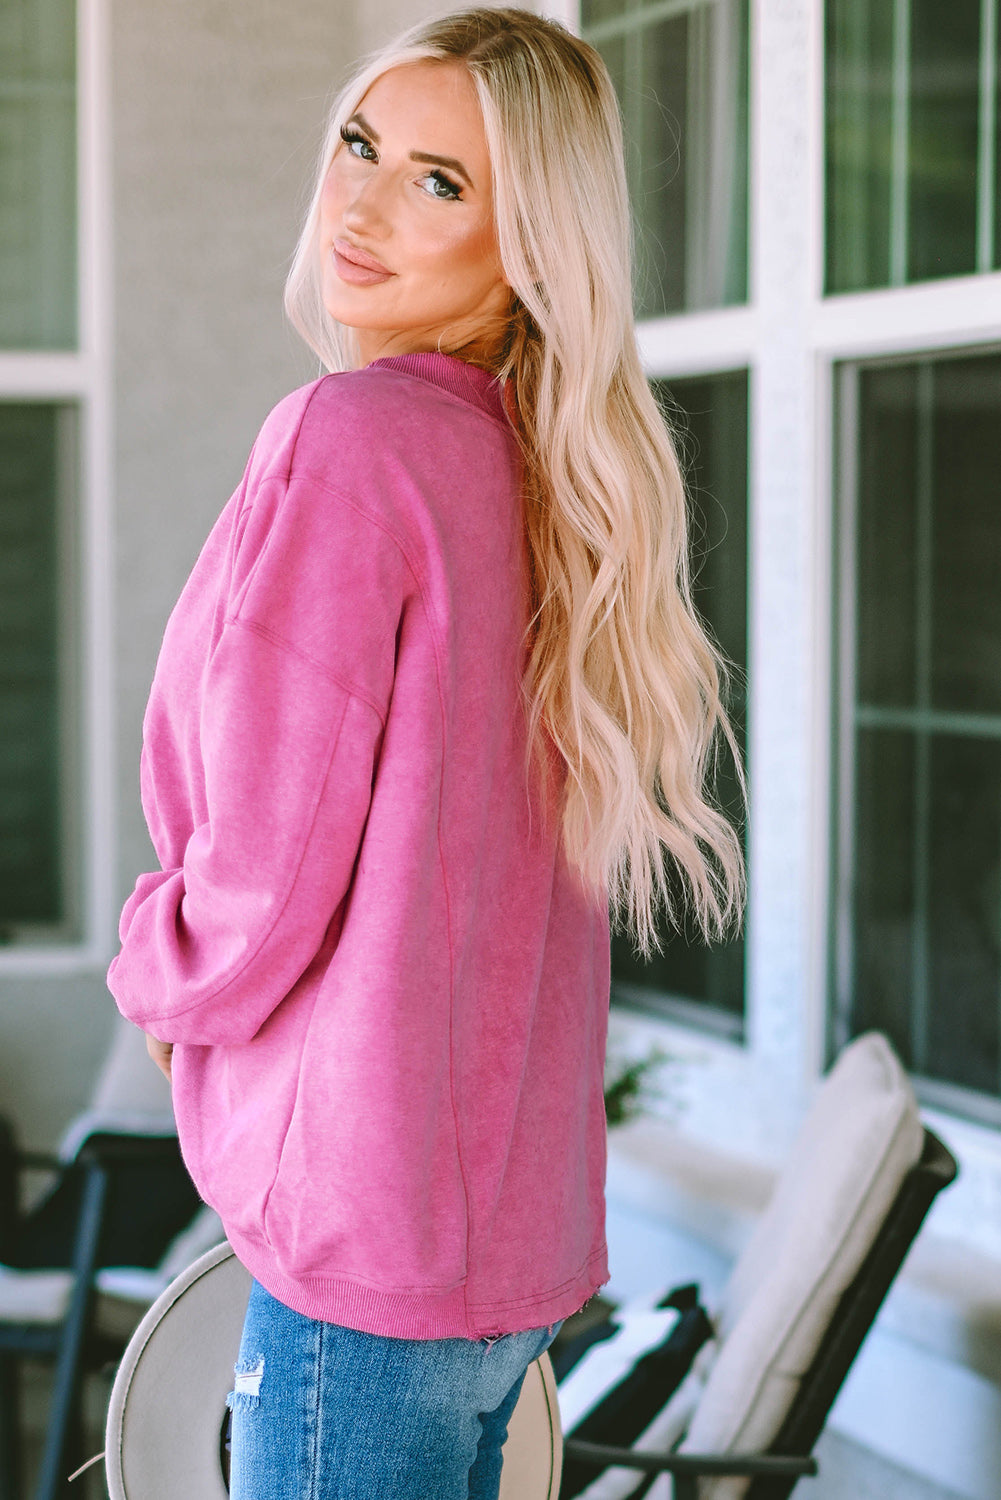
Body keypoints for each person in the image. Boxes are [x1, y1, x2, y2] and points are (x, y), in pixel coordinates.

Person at [106, 8, 746, 1497]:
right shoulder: (544, 479)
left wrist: (162, 974)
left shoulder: (355, 442)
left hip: (360, 1258)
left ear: (531, 238)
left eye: (440, 181)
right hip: (501, 1275)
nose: (365, 202)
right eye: (360, 146)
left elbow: (262, 866)